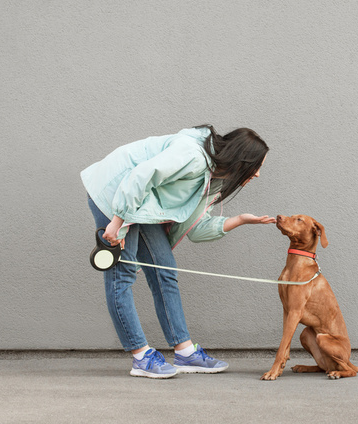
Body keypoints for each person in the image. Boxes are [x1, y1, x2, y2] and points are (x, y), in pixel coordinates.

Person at [81, 125, 275, 379]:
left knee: (165, 270)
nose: (258, 174)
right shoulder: (192, 156)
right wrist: (117, 222)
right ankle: (140, 357)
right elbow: (142, 176)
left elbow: (194, 228)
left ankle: (184, 351)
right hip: (115, 193)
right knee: (122, 275)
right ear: (242, 160)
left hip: (142, 203)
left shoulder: (214, 180)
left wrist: (239, 220)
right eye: (256, 166)